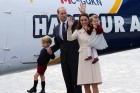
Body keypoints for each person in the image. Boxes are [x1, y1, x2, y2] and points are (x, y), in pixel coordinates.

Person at [46, 4, 86, 93]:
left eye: (65, 13)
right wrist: (51, 49)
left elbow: (83, 23)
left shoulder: (74, 23)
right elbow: (58, 44)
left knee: (77, 83)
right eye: (62, 13)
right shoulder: (56, 29)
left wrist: (83, 13)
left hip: (75, 58)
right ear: (58, 15)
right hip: (64, 59)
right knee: (68, 83)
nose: (64, 15)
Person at [67, 13, 104, 93]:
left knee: (94, 83)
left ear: (88, 20)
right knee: (86, 84)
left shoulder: (93, 29)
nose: (84, 21)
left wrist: (94, 25)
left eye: (85, 20)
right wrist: (69, 27)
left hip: (93, 56)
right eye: (82, 20)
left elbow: (100, 31)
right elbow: (70, 38)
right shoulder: (78, 31)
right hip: (83, 56)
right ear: (79, 22)